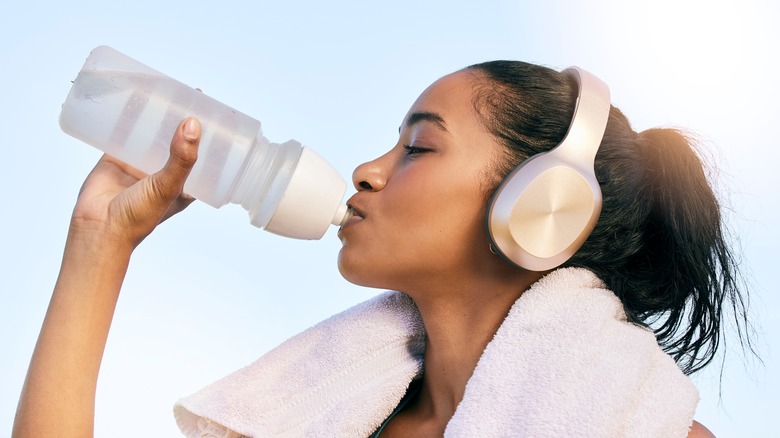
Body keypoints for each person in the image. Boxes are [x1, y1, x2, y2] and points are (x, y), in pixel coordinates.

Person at [12, 60, 749, 437]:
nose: (367, 170)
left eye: (418, 147)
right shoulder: (313, 418)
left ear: (539, 209)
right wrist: (99, 245)